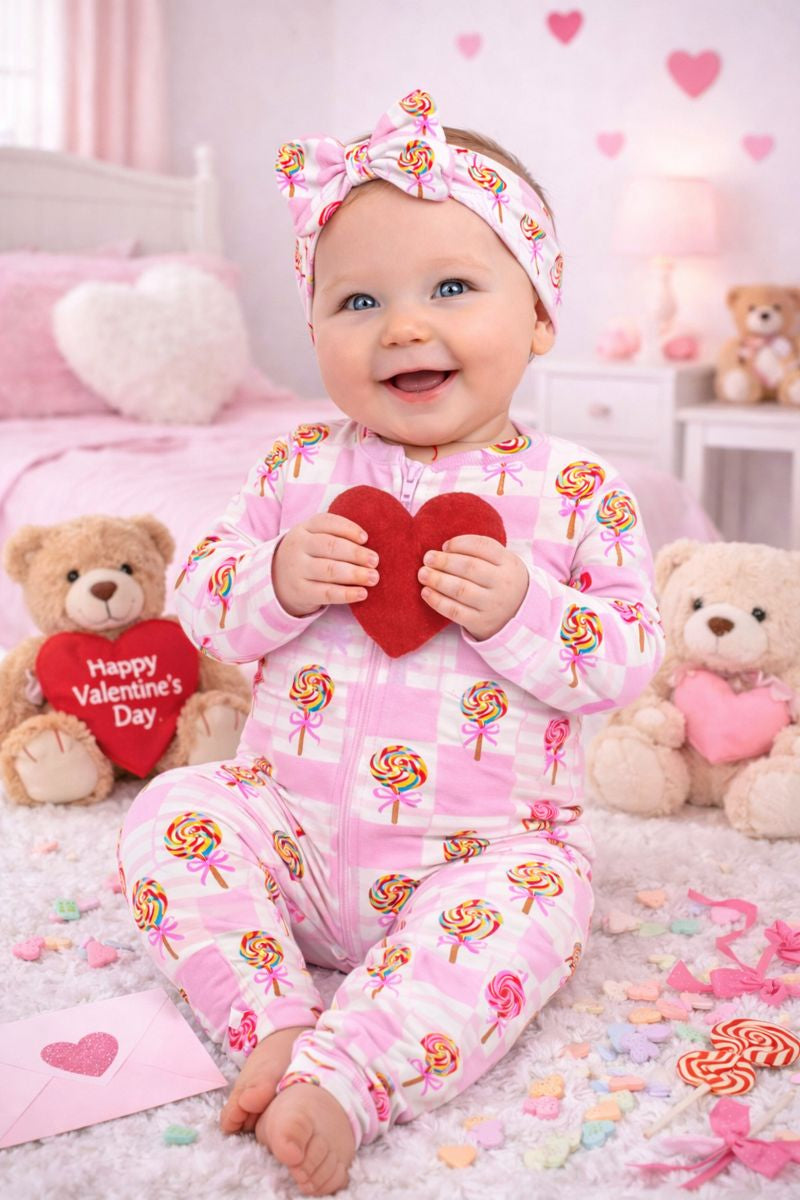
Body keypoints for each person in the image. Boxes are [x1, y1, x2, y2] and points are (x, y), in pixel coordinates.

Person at [118, 88, 665, 1196]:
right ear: (313, 328)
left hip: (475, 858)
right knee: (174, 812)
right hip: (290, 828)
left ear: (540, 316)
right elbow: (202, 600)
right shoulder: (295, 471)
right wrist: (273, 577)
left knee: (542, 907)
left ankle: (351, 1070)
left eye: (452, 288)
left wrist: (524, 607)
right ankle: (266, 1016)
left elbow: (623, 658)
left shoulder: (574, 493)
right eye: (357, 299)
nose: (403, 327)